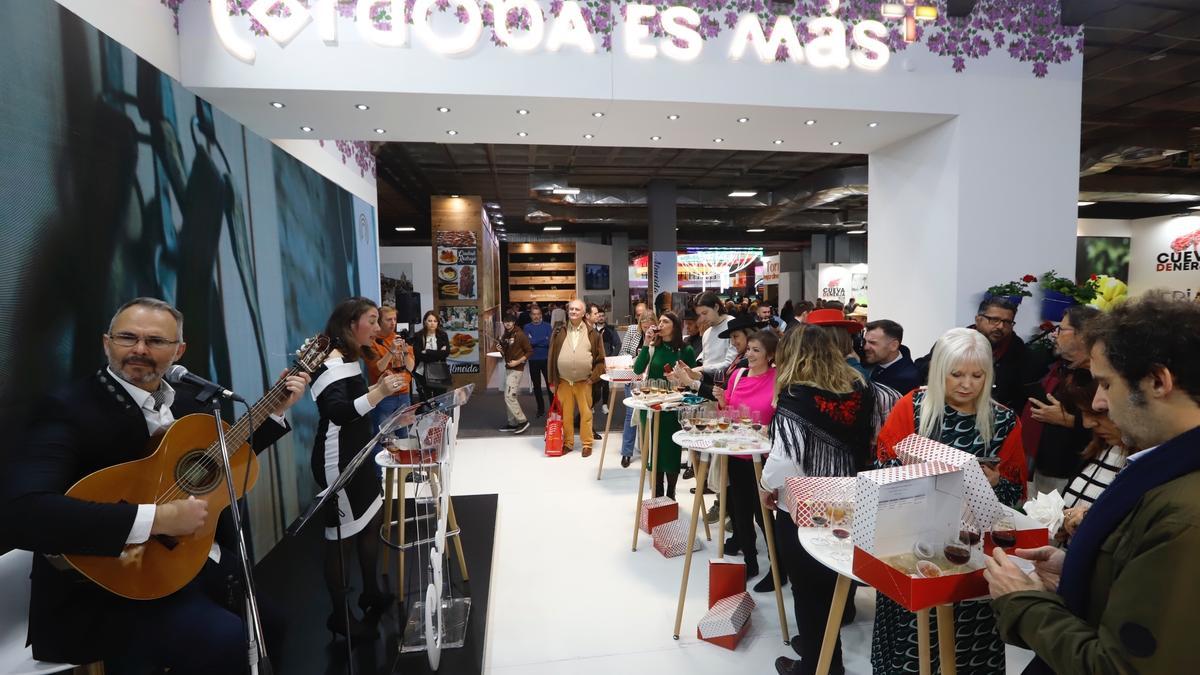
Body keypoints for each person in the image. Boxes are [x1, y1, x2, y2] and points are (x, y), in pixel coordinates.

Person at [0, 297, 309, 672]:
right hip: (98, 590)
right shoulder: (67, 409)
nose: (140, 350)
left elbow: (211, 464)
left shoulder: (190, 402)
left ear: (179, 351)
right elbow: (23, 512)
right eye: (127, 338)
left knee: (273, 624)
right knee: (224, 639)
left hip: (180, 562)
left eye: (156, 341)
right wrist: (156, 519)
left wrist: (274, 412)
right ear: (106, 343)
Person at [984, 295, 1200, 675]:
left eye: (1106, 383)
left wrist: (1023, 601)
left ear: (1157, 381)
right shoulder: (1164, 468)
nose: (1098, 404)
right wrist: (1086, 570)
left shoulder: (1185, 515)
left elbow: (1121, 666)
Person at [874, 327, 1027, 675]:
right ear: (939, 370)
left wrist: (995, 481)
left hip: (972, 546)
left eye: (977, 375)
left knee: (967, 634)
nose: (966, 384)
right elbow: (883, 467)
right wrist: (913, 468)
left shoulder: (1002, 419)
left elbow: (1013, 495)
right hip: (912, 540)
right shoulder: (914, 406)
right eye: (956, 374)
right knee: (913, 630)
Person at [761, 325, 878, 675]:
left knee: (807, 588)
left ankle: (818, 666)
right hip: (852, 497)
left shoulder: (796, 397)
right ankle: (825, 646)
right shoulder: (862, 389)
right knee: (834, 578)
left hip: (805, 506)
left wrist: (768, 486)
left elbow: (784, 462)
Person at [310, 297, 407, 640]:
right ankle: (340, 615)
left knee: (370, 522)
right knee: (341, 539)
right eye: (372, 320)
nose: (379, 327)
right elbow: (339, 412)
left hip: (360, 454)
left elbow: (355, 404)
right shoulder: (328, 366)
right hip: (339, 462)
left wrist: (378, 396)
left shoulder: (350, 360)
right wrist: (379, 393)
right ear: (351, 324)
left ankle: (369, 592)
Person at [721, 330, 778, 591]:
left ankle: (779, 569)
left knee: (763, 514)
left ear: (770, 354)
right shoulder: (737, 376)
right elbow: (730, 412)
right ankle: (751, 561)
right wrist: (722, 401)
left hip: (763, 457)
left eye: (757, 350)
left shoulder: (778, 379)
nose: (751, 354)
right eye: (749, 349)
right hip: (736, 453)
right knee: (740, 511)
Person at [1023, 305, 1100, 496]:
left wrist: (1072, 421)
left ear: (1083, 335)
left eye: (1062, 329)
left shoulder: (1100, 378)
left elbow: (1116, 430)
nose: (1056, 335)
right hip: (1039, 470)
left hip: (1074, 477)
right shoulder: (1062, 368)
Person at [919, 297, 1037, 413]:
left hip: (994, 418)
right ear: (978, 319)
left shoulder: (1021, 353)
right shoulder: (954, 343)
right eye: (994, 320)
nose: (1000, 326)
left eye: (1007, 322)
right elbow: (922, 367)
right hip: (947, 410)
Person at [1052, 370, 1129, 541]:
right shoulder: (1098, 449)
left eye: (1098, 414)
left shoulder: (1141, 467)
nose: (1087, 423)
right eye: (1083, 413)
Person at [633, 311, 697, 499]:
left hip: (673, 408)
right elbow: (637, 370)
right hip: (652, 406)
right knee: (653, 450)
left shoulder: (686, 350)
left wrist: (679, 380)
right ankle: (657, 493)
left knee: (671, 451)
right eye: (659, 320)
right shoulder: (653, 347)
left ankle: (671, 493)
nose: (660, 324)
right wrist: (646, 343)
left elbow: (691, 382)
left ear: (675, 326)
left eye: (665, 321)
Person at [548, 299, 605, 457]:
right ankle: (568, 443)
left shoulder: (593, 334)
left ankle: (587, 443)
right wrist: (552, 380)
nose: (573, 311)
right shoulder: (559, 331)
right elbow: (551, 357)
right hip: (564, 381)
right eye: (571, 309)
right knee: (566, 415)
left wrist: (593, 378)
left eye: (577, 309)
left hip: (584, 382)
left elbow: (601, 360)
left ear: (583, 313)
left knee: (586, 414)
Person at [366, 306, 415, 441]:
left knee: (404, 436)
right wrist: (391, 350)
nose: (393, 322)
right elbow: (378, 369)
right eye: (388, 319)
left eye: (395, 319)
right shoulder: (373, 342)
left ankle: (404, 461)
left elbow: (410, 368)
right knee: (382, 437)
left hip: (404, 393)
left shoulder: (400, 339)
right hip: (384, 396)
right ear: (379, 322)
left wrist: (404, 352)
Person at [619, 310, 656, 468]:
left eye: (649, 326)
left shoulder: (659, 333)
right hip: (633, 377)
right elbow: (622, 352)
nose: (646, 329)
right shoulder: (633, 331)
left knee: (651, 415)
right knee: (630, 414)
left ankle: (650, 453)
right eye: (644, 326)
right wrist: (635, 359)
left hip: (652, 380)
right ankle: (626, 453)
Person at [862, 319, 921, 395]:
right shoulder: (868, 359)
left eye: (873, 343)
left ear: (894, 345)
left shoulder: (907, 379)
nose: (865, 347)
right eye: (865, 341)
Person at [499, 311, 532, 434]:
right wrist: (501, 348)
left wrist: (517, 362)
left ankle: (522, 421)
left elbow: (529, 351)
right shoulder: (505, 335)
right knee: (507, 396)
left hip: (516, 369)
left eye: (509, 322)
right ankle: (512, 423)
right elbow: (505, 353)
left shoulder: (520, 335)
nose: (507, 324)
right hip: (508, 368)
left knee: (509, 396)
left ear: (514, 322)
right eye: (505, 322)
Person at [694, 291, 738, 379]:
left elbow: (731, 363)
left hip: (725, 384)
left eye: (705, 313)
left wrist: (702, 369)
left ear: (716, 307)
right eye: (699, 315)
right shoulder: (707, 332)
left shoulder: (732, 324)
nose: (702, 319)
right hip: (706, 382)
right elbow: (706, 359)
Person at [589, 303, 620, 422]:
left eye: (602, 316)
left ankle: (604, 405)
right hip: (594, 362)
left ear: (605, 317)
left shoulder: (610, 330)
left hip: (607, 361)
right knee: (593, 383)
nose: (600, 317)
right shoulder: (590, 330)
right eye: (598, 315)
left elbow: (618, 345)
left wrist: (611, 358)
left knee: (606, 384)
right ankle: (591, 405)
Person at [412, 310, 450, 402]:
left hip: (439, 372)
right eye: (429, 321)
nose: (432, 323)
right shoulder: (418, 336)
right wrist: (438, 353)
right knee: (425, 401)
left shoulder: (443, 335)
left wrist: (428, 351)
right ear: (425, 322)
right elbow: (419, 356)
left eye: (435, 321)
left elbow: (446, 353)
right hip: (422, 373)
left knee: (440, 400)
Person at [524, 304, 553, 417]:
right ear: (531, 315)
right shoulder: (527, 327)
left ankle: (553, 408)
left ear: (541, 315)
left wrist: (534, 341)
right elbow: (528, 343)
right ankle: (540, 409)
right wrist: (542, 340)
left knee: (550, 385)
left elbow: (549, 342)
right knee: (536, 386)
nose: (536, 316)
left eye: (538, 314)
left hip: (546, 359)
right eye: (534, 314)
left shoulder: (547, 326)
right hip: (533, 359)